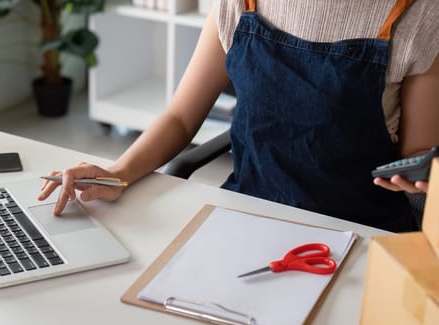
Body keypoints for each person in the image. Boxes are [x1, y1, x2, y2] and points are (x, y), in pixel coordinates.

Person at [38, 0, 439, 232]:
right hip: (249, 214)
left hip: (359, 229)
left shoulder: (418, 13)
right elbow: (181, 117)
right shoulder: (239, 2)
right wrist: (118, 172)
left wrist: (423, 176)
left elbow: (418, 154)